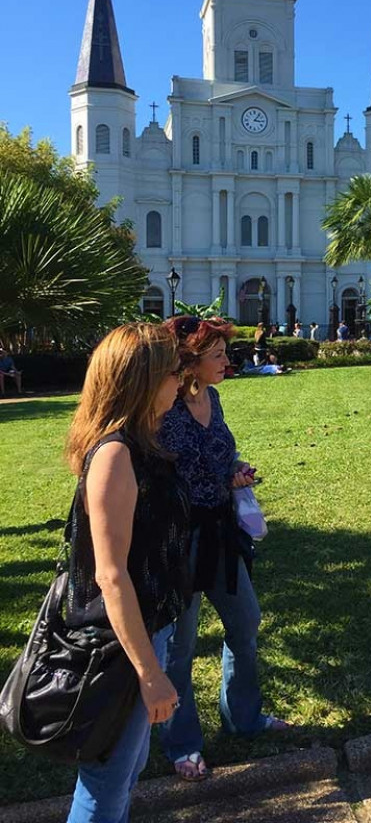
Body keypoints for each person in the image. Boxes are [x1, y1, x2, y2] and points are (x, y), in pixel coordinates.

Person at [64, 323, 191, 822]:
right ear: (143, 380)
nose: (181, 381)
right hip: (119, 648)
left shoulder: (142, 443)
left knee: (125, 769)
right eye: (174, 371)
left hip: (144, 630)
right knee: (105, 785)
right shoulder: (117, 454)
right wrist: (150, 673)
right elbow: (111, 575)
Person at [158, 316, 288, 782]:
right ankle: (182, 744)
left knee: (246, 622)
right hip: (180, 542)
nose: (226, 362)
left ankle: (244, 717)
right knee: (180, 646)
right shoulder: (163, 406)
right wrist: (215, 479)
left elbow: (220, 453)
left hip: (222, 533)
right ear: (189, 362)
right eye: (217, 355)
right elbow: (158, 476)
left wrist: (236, 467)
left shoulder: (212, 398)